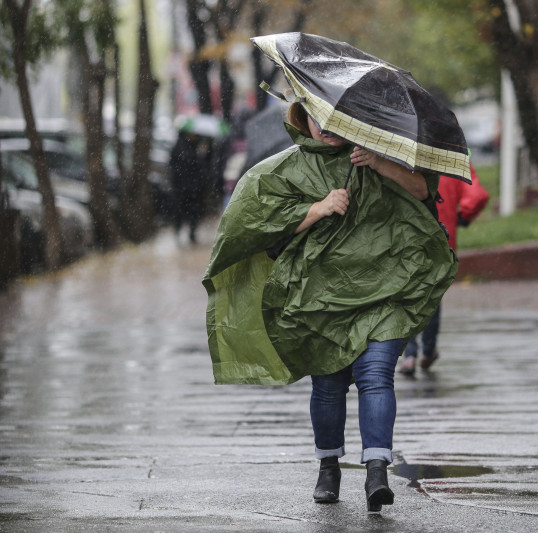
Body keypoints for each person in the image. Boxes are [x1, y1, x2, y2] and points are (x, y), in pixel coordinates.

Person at [203, 102, 457, 513]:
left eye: (336, 117)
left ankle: (377, 469)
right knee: (328, 385)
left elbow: (425, 193)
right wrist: (317, 209)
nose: (327, 126)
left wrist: (378, 163)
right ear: (303, 120)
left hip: (385, 290)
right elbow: (259, 229)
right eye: (317, 116)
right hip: (319, 297)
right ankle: (328, 465)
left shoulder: (386, 153)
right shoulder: (284, 169)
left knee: (376, 375)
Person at [398, 164, 489, 376]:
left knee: (407, 295)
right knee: (431, 297)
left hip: (405, 238)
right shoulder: (450, 159)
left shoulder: (401, 157)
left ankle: (409, 355)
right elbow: (477, 196)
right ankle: (428, 351)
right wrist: (463, 217)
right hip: (441, 240)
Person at [169, 130, 209, 243]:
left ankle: (192, 233)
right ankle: (178, 231)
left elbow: (202, 166)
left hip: (194, 186)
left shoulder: (199, 146)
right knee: (180, 210)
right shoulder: (179, 146)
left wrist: (202, 155)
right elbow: (174, 165)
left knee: (194, 210)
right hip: (181, 186)